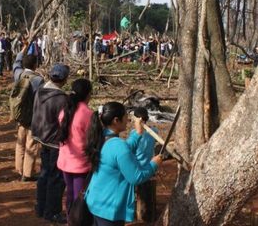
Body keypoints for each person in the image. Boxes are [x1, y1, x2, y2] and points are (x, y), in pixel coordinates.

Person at [84, 102, 162, 226]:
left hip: (97, 200)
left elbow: (122, 151)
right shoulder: (118, 145)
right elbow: (136, 177)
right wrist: (153, 164)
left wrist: (138, 133)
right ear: (116, 120)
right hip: (108, 208)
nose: (128, 119)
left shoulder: (102, 137)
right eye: (126, 116)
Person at [31, 63, 70, 224]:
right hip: (54, 142)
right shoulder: (62, 98)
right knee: (56, 178)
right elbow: (65, 122)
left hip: (41, 137)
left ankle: (41, 207)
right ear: (65, 79)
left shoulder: (40, 91)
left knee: (44, 174)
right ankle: (52, 212)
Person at [56, 78, 93, 213]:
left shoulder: (65, 110)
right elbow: (92, 139)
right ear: (88, 94)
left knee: (70, 194)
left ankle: (70, 220)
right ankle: (76, 220)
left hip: (66, 161)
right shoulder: (87, 114)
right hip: (80, 164)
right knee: (80, 199)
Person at [13, 55, 44, 182]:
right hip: (33, 115)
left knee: (20, 142)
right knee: (31, 144)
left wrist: (22, 50)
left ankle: (19, 168)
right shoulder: (38, 80)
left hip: (20, 114)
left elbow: (16, 64)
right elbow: (40, 99)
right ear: (35, 65)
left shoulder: (19, 74)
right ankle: (27, 173)